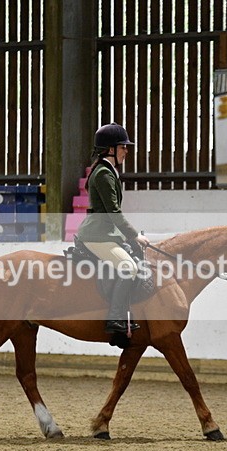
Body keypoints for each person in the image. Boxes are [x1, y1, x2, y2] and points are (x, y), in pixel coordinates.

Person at [76, 123, 150, 334]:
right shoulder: (104, 174)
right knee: (129, 268)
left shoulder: (107, 171)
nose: (126, 150)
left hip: (106, 234)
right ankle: (115, 318)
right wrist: (135, 236)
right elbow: (114, 213)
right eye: (122, 147)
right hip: (97, 236)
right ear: (110, 149)